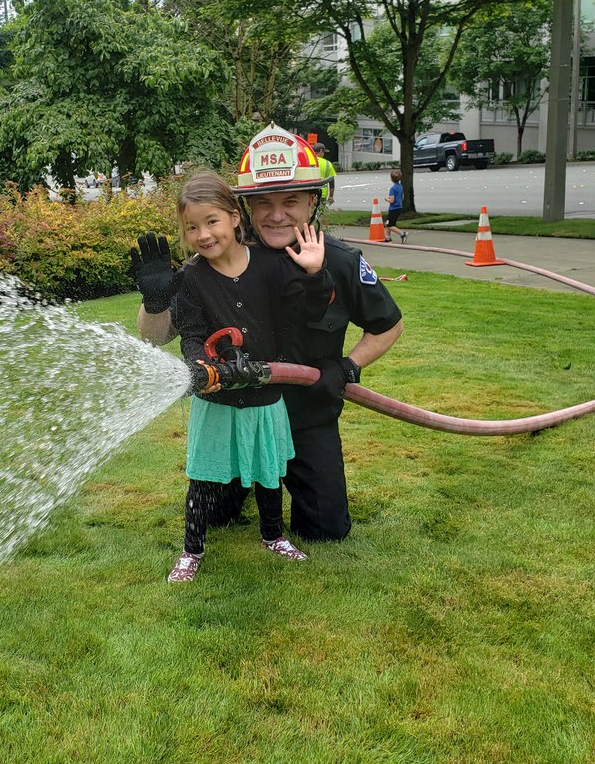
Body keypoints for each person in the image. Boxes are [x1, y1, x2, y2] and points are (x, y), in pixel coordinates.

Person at [132, 124, 403, 543]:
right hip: (238, 412)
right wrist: (155, 302)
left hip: (308, 417)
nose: (277, 215)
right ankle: (238, 487)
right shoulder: (218, 261)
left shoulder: (343, 262)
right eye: (264, 203)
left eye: (291, 201)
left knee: (325, 530)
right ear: (246, 209)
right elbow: (156, 338)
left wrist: (348, 366)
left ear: (313, 202)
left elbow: (389, 326)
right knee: (218, 517)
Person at [167, 171, 333, 583]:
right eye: (192, 227)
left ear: (235, 218)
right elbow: (190, 333)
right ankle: (191, 549)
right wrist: (200, 368)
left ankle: (273, 535)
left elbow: (308, 315)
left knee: (268, 470)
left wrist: (315, 275)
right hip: (217, 398)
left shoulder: (273, 266)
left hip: (265, 394)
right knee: (203, 476)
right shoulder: (191, 279)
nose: (203, 235)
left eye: (211, 222)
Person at [384, 168, 407, 243]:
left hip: (393, 208)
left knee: (390, 225)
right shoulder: (400, 186)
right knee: (388, 223)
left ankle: (402, 234)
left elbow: (392, 200)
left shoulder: (393, 189)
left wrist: (387, 199)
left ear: (391, 179)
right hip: (399, 207)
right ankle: (388, 238)